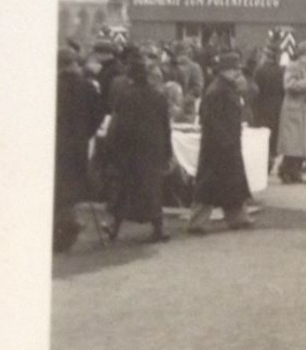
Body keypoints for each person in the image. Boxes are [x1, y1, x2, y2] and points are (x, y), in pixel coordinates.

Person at [101, 55, 173, 243]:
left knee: (124, 189)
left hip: (129, 150)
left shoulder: (124, 96)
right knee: (153, 188)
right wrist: (168, 151)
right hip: (153, 150)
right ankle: (159, 228)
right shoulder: (159, 97)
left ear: (131, 77)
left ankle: (114, 227)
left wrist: (111, 147)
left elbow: (117, 125)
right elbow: (166, 127)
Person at [187, 52, 254, 234]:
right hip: (219, 145)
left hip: (224, 142)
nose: (236, 72)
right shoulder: (218, 90)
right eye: (232, 69)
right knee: (213, 184)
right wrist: (226, 141)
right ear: (223, 70)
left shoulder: (222, 87)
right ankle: (199, 222)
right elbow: (212, 120)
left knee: (226, 183)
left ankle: (236, 218)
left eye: (236, 69)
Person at [54, 48, 102, 253]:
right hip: (79, 144)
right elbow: (98, 114)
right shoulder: (87, 86)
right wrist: (86, 133)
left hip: (57, 143)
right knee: (73, 183)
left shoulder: (52, 86)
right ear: (74, 64)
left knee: (58, 183)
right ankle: (69, 223)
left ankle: (64, 226)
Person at [276, 43, 306, 183]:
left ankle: (295, 172)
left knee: (301, 143)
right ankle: (285, 171)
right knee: (292, 143)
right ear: (300, 55)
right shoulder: (293, 66)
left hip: (304, 109)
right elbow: (289, 85)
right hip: (293, 108)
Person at [251, 46, 285, 174]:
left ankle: (265, 162)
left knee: (263, 134)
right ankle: (271, 159)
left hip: (262, 106)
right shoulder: (280, 71)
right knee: (274, 134)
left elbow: (256, 89)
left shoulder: (259, 70)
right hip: (277, 106)